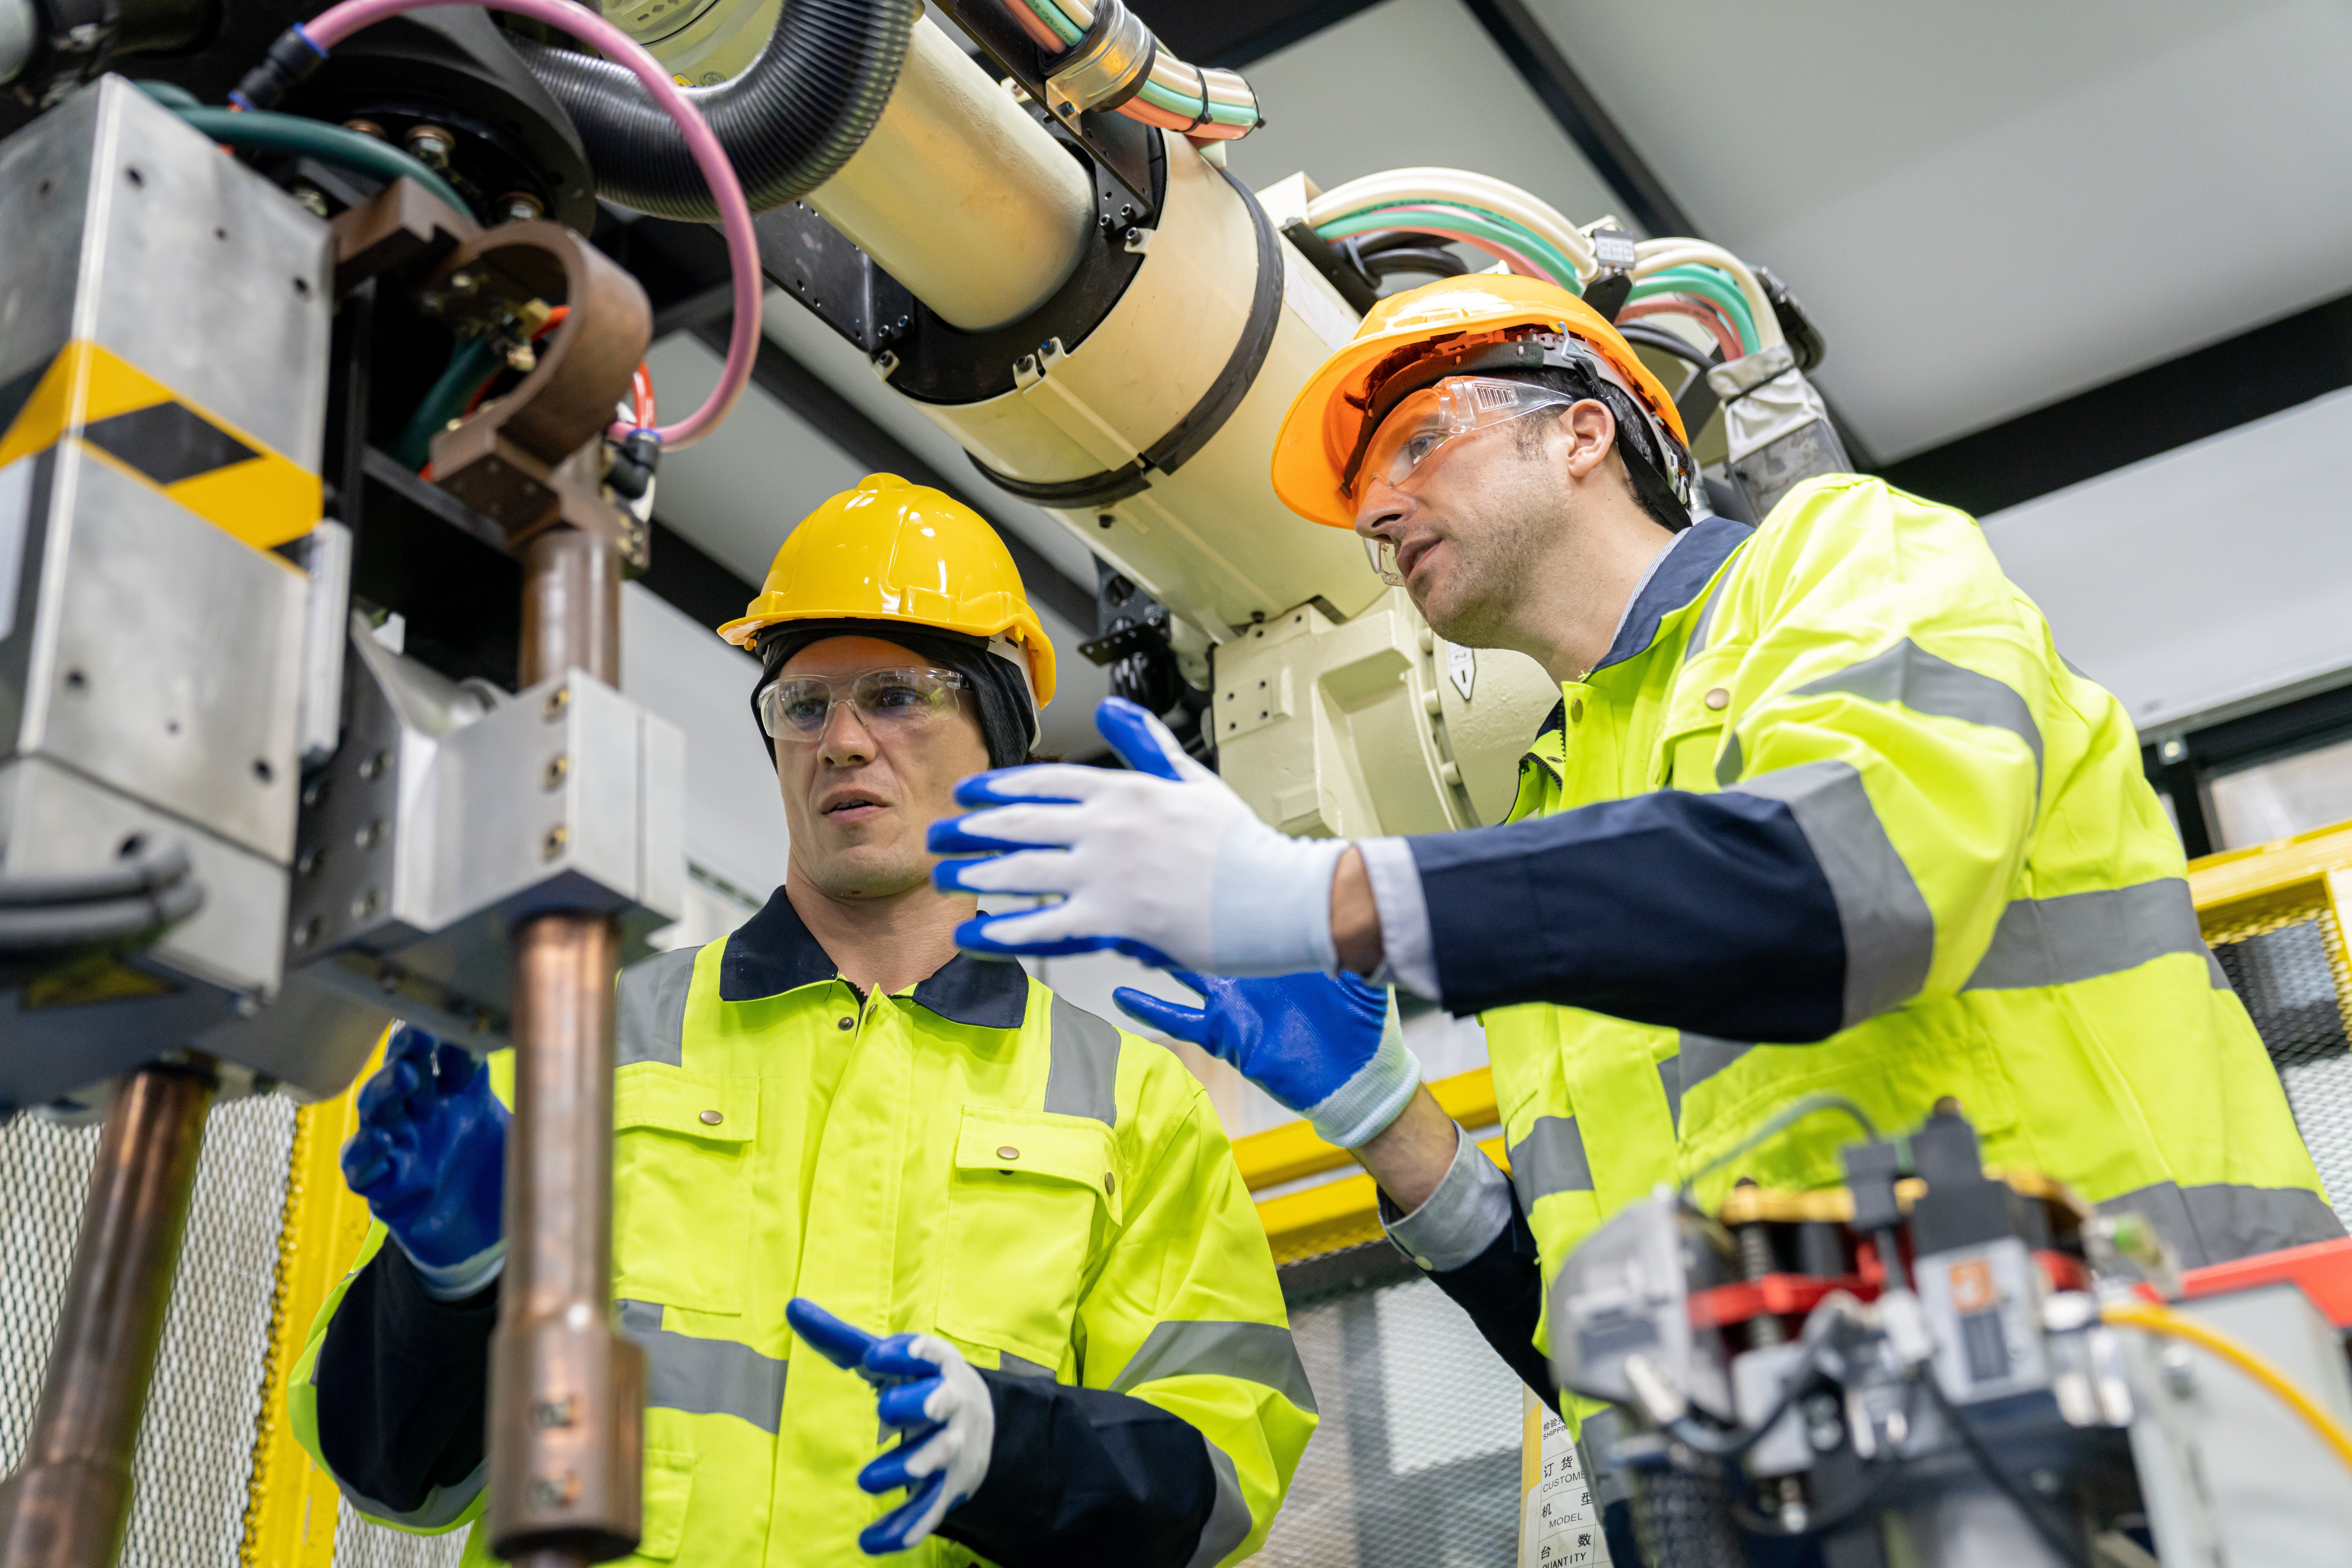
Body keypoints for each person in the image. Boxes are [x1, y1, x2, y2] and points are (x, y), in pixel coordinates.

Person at [925, 274, 2342, 1411]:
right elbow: (1598, 1363)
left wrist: (1334, 890)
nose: (1378, 507)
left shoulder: (1843, 560)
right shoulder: (1559, 808)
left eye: (1418, 439)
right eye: (1366, 501)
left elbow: (1855, 890)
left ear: (1583, 428)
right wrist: (1388, 1125)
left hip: (2159, 1414)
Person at [285, 475, 1315, 1568]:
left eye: (898, 694)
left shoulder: (1131, 1107)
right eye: (805, 706)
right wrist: (449, 1286)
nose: (843, 742)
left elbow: (1222, 1486)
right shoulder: (582, 1042)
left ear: (999, 732)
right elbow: (396, 1480)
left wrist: (1012, 1453)